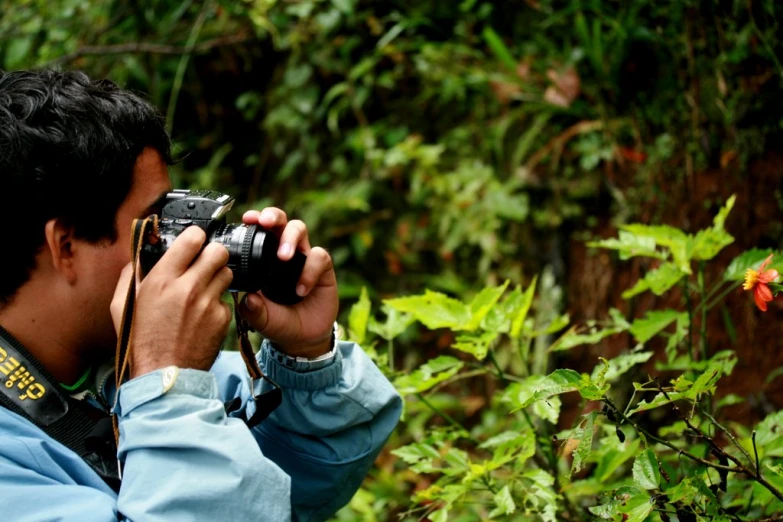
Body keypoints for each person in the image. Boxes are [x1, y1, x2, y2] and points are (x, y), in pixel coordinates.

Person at [0, 69, 402, 521]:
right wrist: (167, 390)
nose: (185, 242)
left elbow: (293, 491)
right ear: (67, 245)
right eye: (158, 226)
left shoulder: (112, 371)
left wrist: (303, 357)